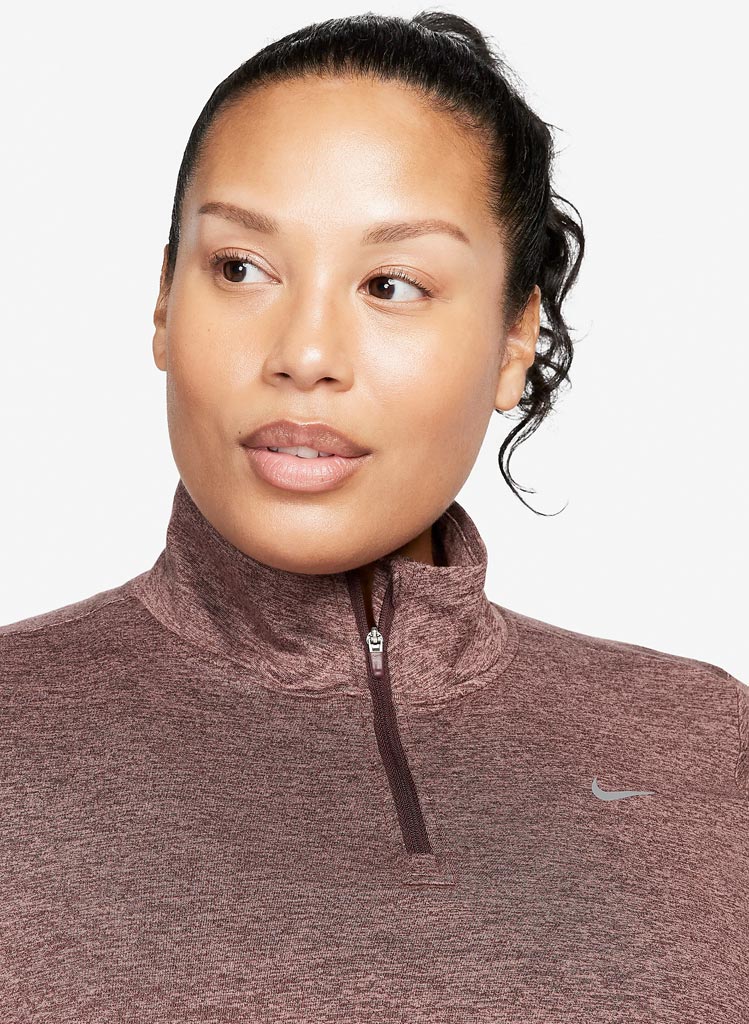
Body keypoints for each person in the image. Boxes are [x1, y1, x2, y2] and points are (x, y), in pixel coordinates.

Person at [1, 10, 746, 1022]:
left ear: (513, 341)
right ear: (164, 304)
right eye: (240, 268)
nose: (305, 353)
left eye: (391, 284)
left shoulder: (701, 740)